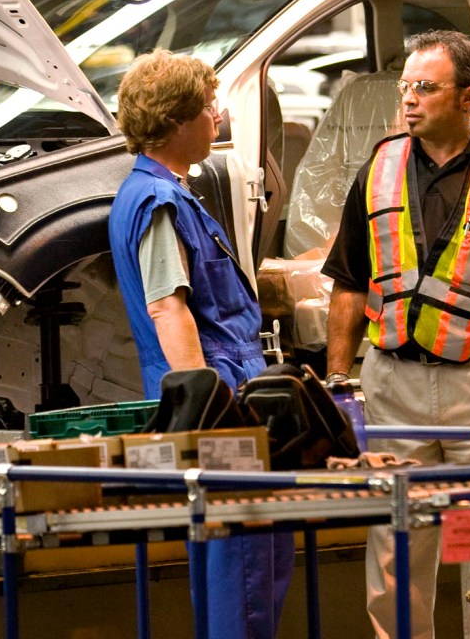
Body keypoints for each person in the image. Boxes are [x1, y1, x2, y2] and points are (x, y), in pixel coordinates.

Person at [323, 30, 470, 639]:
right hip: (393, 388)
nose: (408, 98)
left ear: (468, 97)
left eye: (425, 88)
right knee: (395, 553)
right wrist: (338, 378)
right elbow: (348, 283)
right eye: (406, 86)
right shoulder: (377, 168)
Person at [108, 50, 292, 639]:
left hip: (223, 399)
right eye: (208, 106)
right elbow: (168, 308)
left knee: (241, 561)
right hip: (220, 406)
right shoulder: (159, 202)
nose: (218, 116)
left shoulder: (164, 192)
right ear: (176, 119)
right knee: (243, 567)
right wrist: (210, 411)